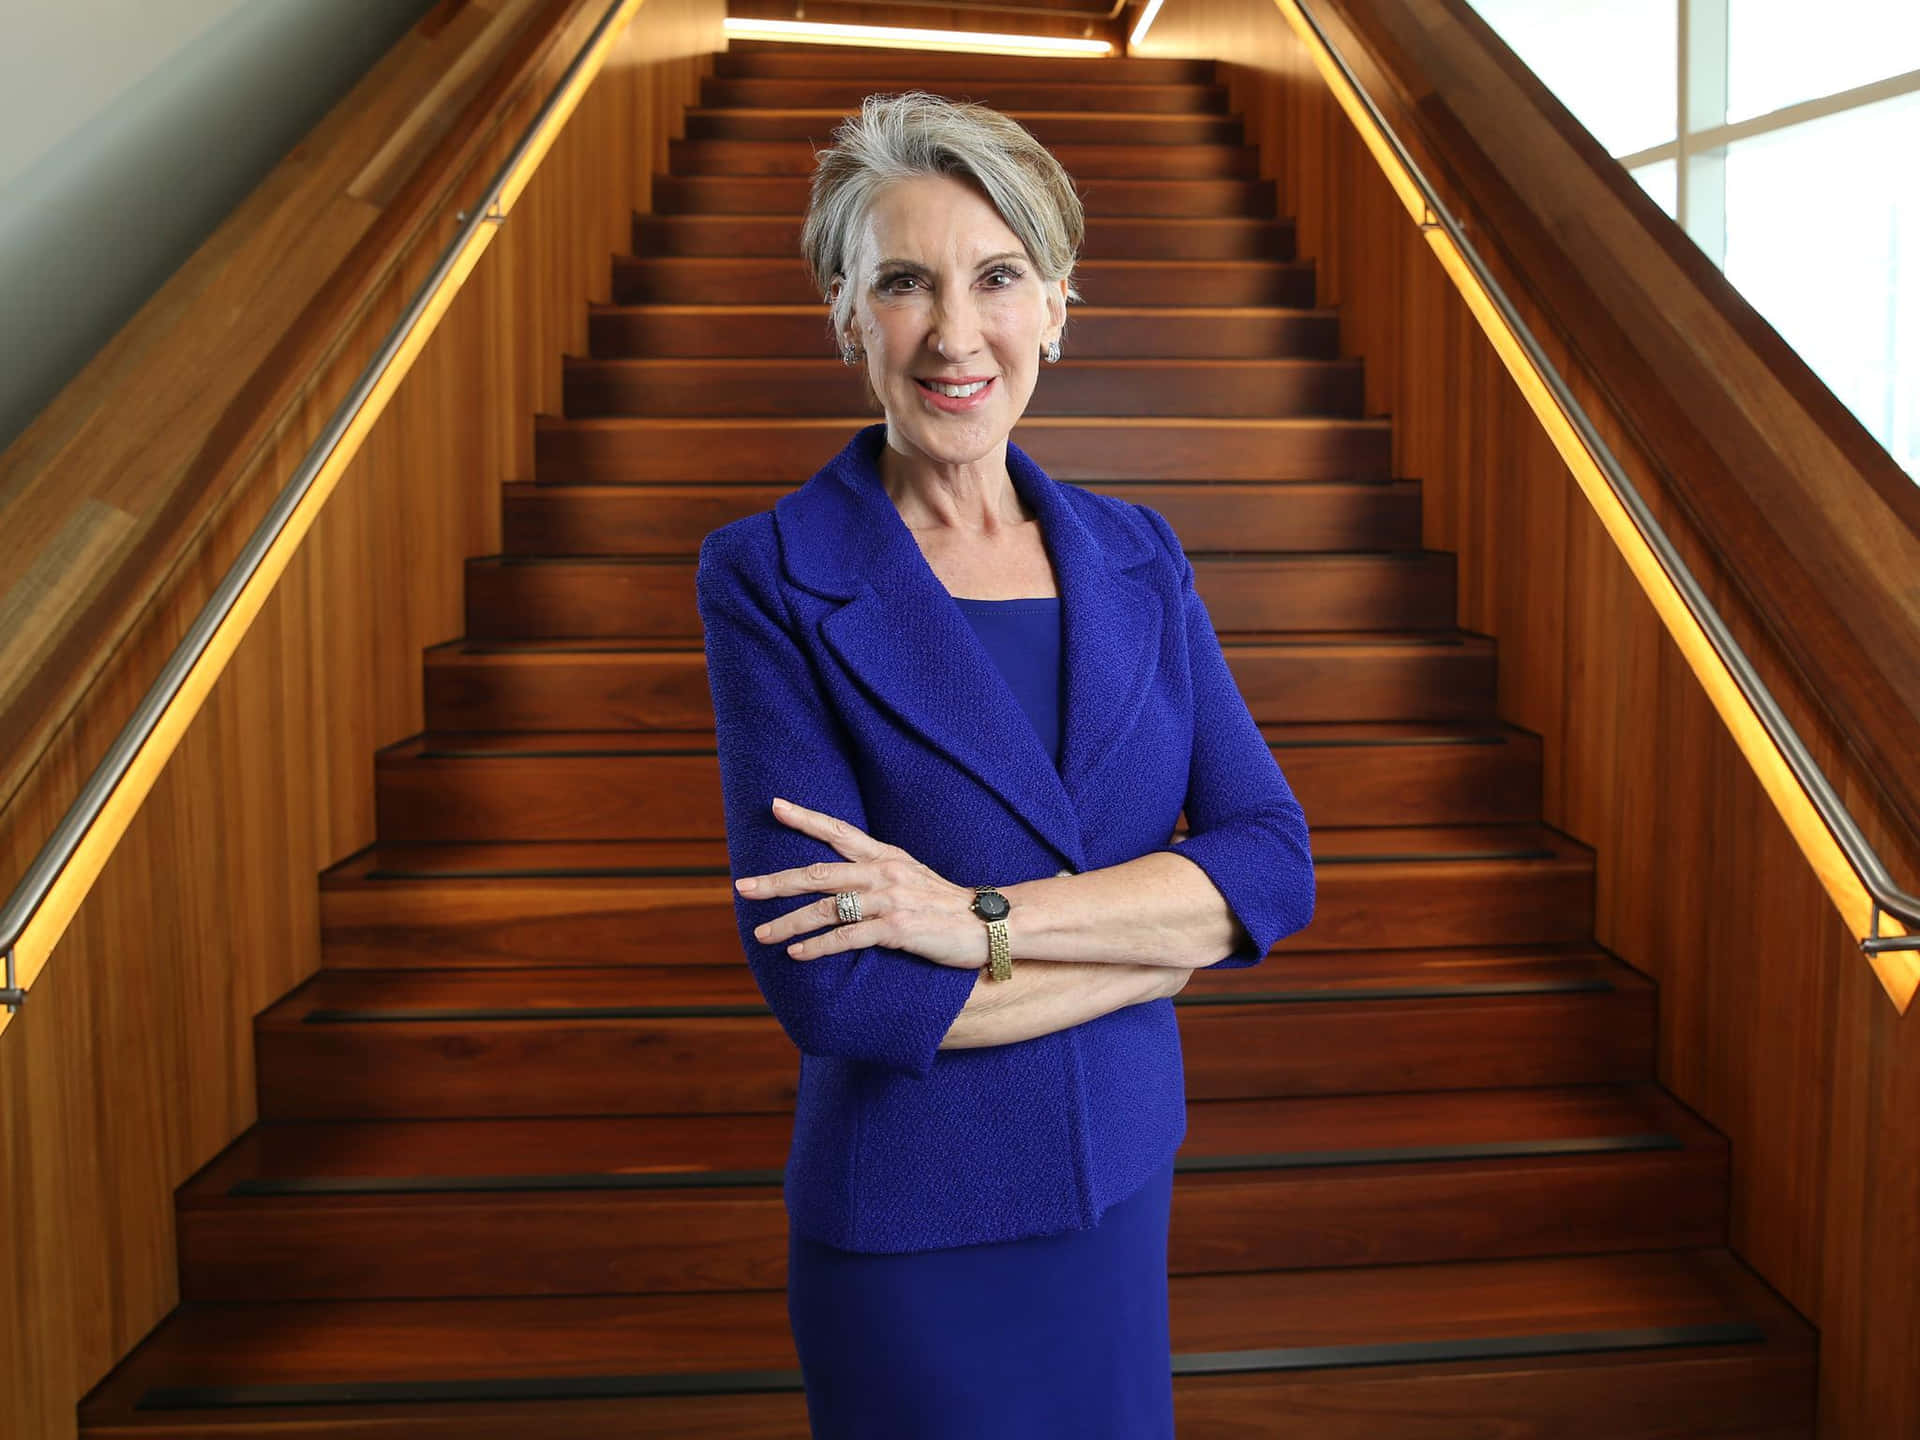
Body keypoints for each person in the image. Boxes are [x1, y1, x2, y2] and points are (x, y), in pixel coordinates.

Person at [694, 90, 1315, 1439]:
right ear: (847, 313)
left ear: (1056, 304)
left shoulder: (1139, 554)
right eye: (905, 282)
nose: (955, 332)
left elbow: (1271, 860)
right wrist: (1159, 947)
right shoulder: (772, 575)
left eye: (997, 278)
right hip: (916, 1224)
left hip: (1119, 1183)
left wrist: (972, 921)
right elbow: (845, 999)